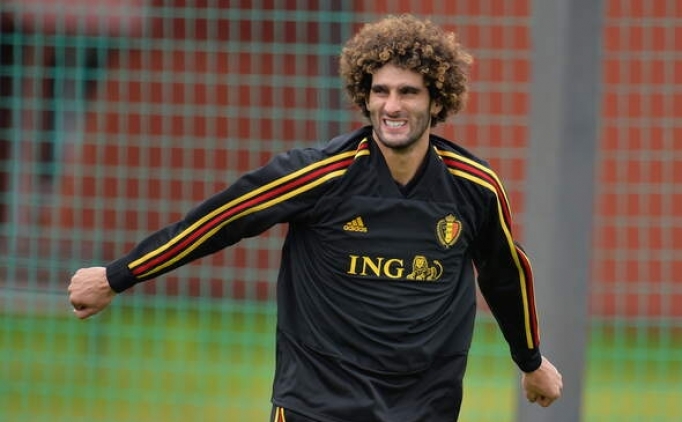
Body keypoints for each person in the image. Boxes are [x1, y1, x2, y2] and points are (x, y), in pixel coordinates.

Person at [68, 14, 563, 422]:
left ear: (437, 100)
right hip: (319, 403)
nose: (392, 106)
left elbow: (505, 273)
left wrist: (530, 360)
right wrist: (118, 276)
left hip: (425, 405)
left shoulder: (474, 187)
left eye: (408, 92)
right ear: (364, 96)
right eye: (380, 91)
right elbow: (219, 220)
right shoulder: (318, 174)